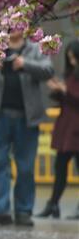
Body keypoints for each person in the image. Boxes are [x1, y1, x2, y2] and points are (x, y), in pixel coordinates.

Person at [0, 31, 54, 227]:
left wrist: (25, 64)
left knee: (26, 167)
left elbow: (48, 70)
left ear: (25, 25)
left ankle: (24, 211)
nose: (12, 27)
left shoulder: (35, 48)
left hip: (27, 118)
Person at [38, 39, 79, 220]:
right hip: (66, 127)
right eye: (69, 57)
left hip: (76, 128)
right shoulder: (71, 74)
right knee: (60, 168)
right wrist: (58, 90)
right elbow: (67, 97)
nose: (71, 61)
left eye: (74, 57)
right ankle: (52, 204)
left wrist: (65, 90)